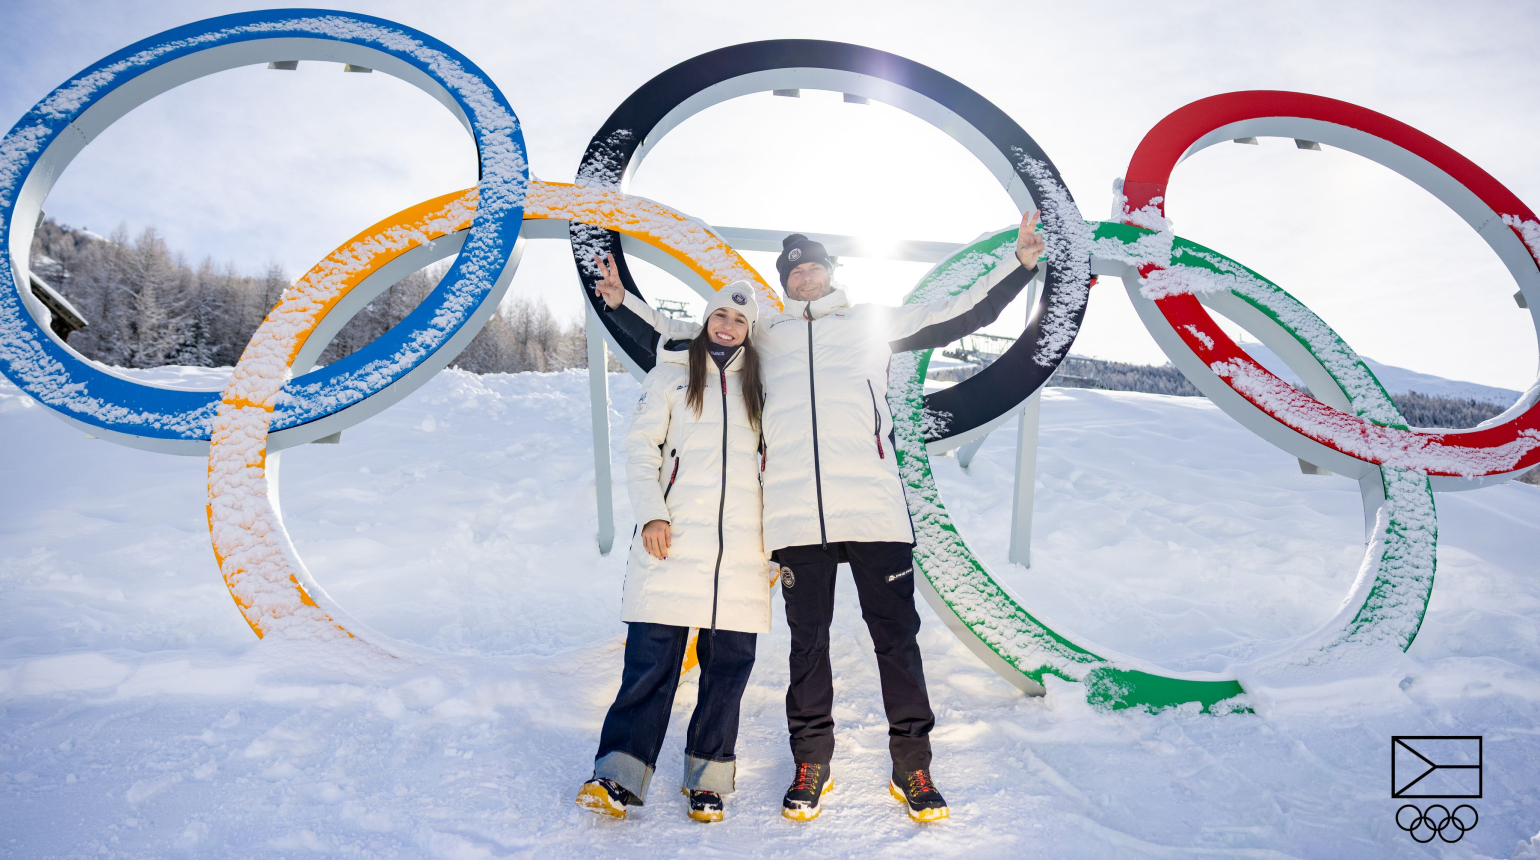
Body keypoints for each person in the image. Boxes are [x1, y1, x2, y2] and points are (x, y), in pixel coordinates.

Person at [590, 210, 1046, 823]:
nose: (805, 275)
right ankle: (812, 764)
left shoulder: (869, 325)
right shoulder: (767, 335)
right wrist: (623, 306)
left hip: (876, 513)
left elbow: (961, 313)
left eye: (814, 266)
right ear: (784, 283)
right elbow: (687, 337)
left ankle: (913, 767)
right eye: (795, 270)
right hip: (796, 520)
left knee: (898, 644)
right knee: (808, 648)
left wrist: (1017, 265)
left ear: (831, 273)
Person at [575, 283, 773, 823]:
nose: (727, 326)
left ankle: (706, 780)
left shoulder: (763, 388)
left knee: (727, 671)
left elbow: (778, 469)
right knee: (650, 666)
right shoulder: (670, 376)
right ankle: (617, 774)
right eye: (719, 315)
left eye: (739, 319)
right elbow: (641, 450)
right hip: (673, 542)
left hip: (741, 554)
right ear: (705, 320)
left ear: (750, 331)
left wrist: (775, 548)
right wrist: (653, 513)